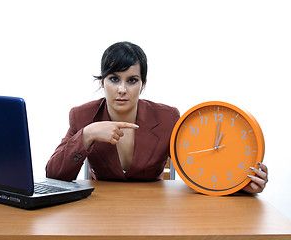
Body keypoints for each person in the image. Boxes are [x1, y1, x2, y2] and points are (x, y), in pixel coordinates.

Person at [46, 41, 268, 194]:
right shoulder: (82, 115)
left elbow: (201, 162)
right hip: (101, 211)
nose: (122, 89)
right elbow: (54, 175)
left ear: (143, 85)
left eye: (132, 80)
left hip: (155, 211)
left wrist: (240, 184)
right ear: (102, 82)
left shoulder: (168, 117)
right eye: (114, 79)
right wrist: (88, 133)